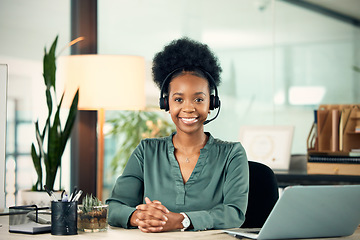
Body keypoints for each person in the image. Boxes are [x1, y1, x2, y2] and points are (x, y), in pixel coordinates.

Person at [106, 37, 249, 233]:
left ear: (211, 104)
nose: (188, 108)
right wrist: (140, 217)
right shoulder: (146, 151)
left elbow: (234, 213)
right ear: (167, 104)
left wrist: (182, 220)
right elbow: (114, 208)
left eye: (199, 99)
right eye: (179, 99)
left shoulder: (232, 154)